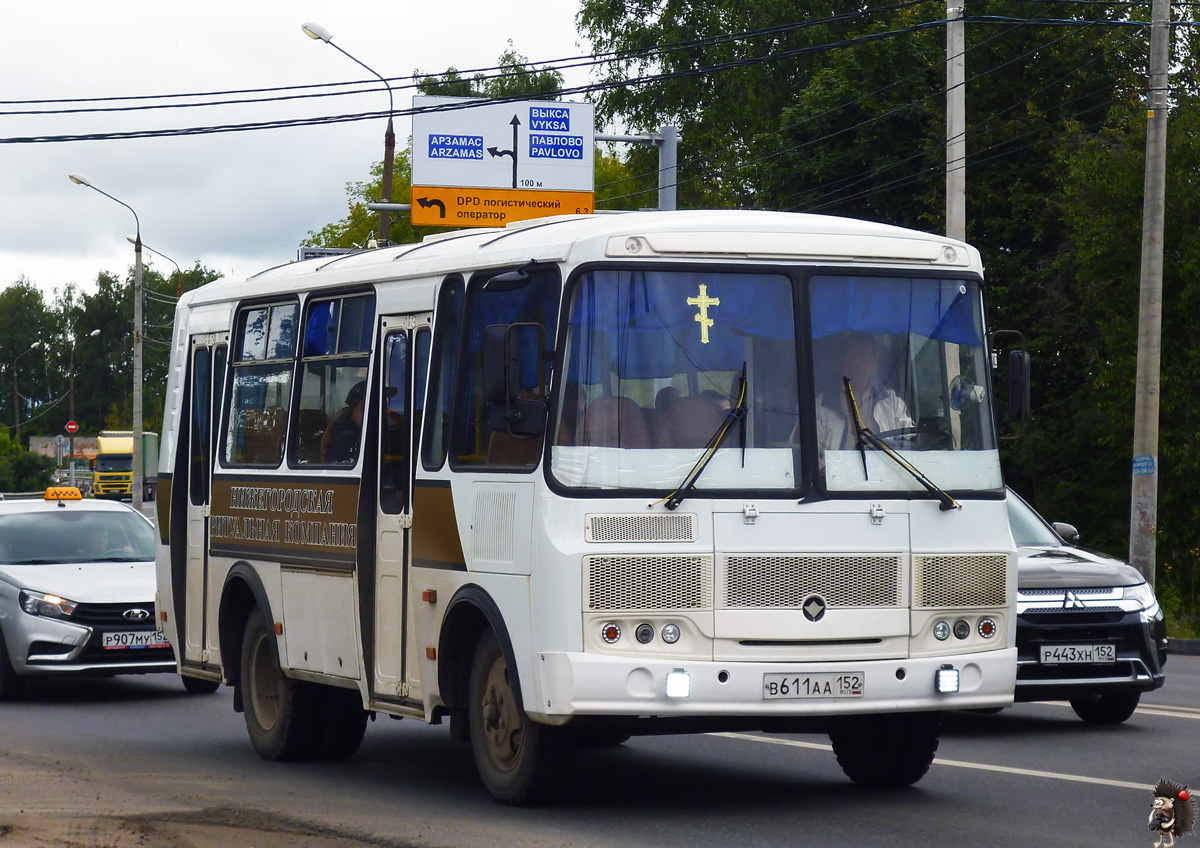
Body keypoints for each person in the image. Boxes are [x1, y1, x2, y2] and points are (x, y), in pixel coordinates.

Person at [815, 331, 913, 451]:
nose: (855, 362)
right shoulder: (821, 405)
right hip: (839, 469)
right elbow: (808, 454)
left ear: (874, 363)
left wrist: (925, 439)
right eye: (850, 356)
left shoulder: (892, 403)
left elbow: (910, 441)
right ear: (841, 361)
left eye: (861, 356)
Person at [322, 381, 367, 463]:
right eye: (382, 404)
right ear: (362, 405)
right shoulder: (346, 438)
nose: (386, 410)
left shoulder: (360, 432)